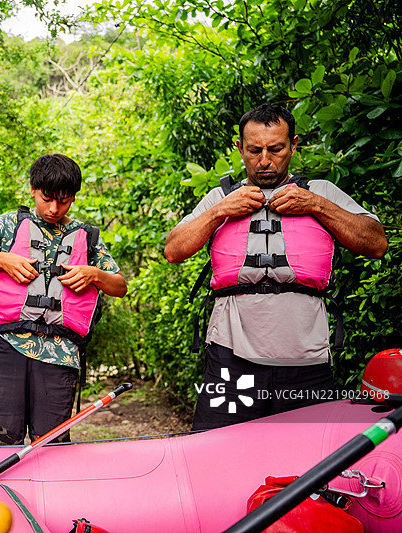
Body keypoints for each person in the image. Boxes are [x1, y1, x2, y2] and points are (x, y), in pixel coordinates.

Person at [164, 104, 387, 430]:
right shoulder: (221, 197)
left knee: (309, 459)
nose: (265, 160)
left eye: (276, 149)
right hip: (230, 354)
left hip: (306, 356)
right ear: (239, 148)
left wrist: (316, 205)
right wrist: (219, 211)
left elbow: (376, 243)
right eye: (254, 150)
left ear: (293, 145)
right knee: (216, 451)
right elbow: (173, 250)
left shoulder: (320, 191)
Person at [0, 153, 127, 446]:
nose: (54, 209)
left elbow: (119, 286)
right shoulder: (8, 225)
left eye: (64, 201)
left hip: (62, 355)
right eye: (47, 199)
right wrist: (2, 259)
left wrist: (94, 273)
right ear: (32, 189)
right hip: (9, 347)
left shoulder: (87, 236)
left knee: (51, 447)